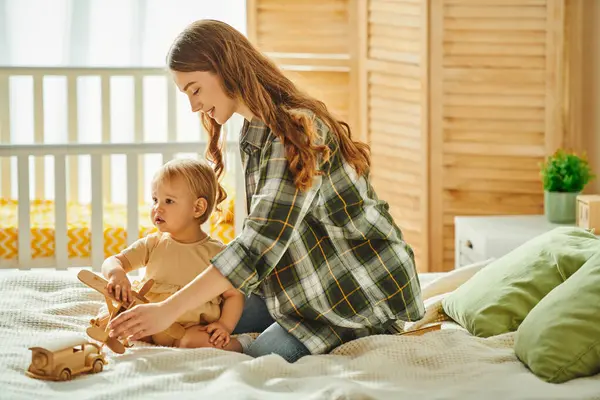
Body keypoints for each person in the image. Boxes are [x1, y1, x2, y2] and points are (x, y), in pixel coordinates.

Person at [108, 19, 425, 363]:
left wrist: (169, 309)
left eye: (195, 90)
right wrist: (166, 309)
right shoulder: (253, 133)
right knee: (204, 318)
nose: (194, 107)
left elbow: (258, 243)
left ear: (222, 68)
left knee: (256, 355)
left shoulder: (296, 131)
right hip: (302, 283)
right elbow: (265, 242)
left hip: (355, 290)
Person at [101, 158, 245, 352]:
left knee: (195, 342)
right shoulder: (153, 243)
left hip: (190, 328)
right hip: (150, 322)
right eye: (155, 200)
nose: (157, 208)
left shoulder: (217, 252)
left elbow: (234, 295)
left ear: (197, 208)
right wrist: (116, 274)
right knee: (120, 323)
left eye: (168, 201)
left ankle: (242, 344)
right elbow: (114, 261)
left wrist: (225, 326)